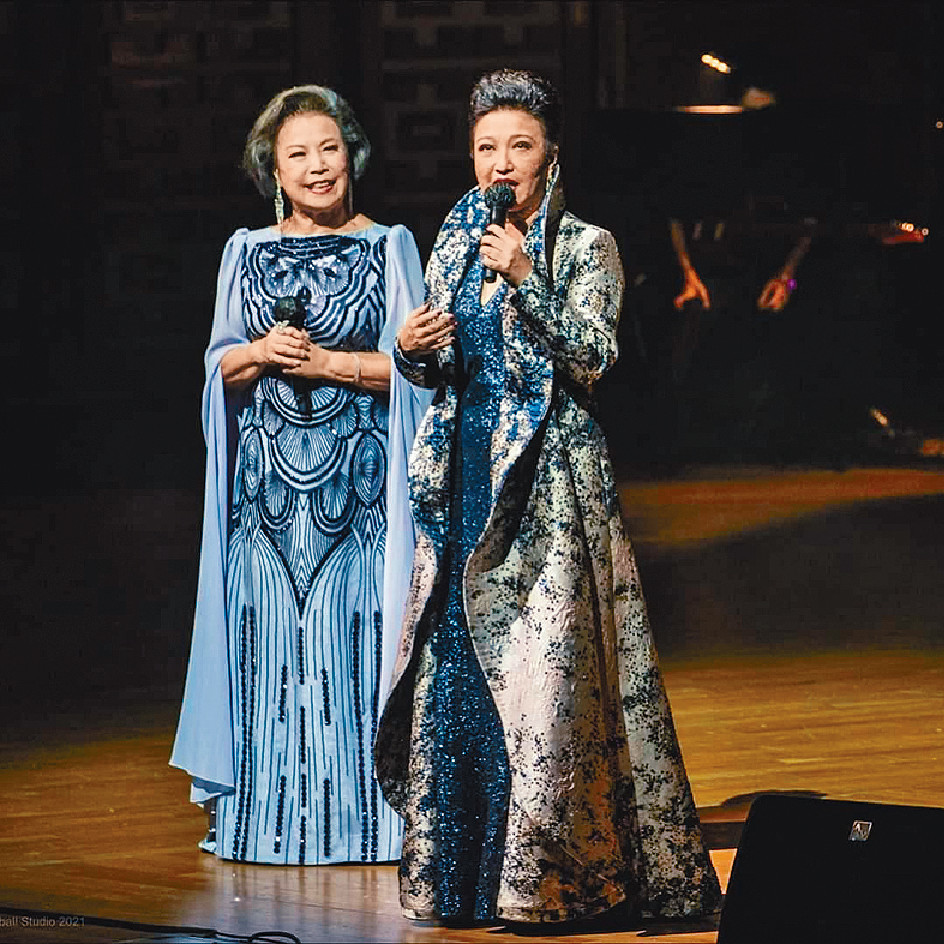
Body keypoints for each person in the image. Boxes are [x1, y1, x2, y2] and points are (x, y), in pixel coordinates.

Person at [375, 69, 721, 925]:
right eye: (486, 147)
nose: (501, 165)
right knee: (460, 677)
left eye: (518, 147)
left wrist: (529, 278)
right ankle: (461, 880)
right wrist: (414, 348)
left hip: (551, 493)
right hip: (467, 484)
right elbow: (445, 365)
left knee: (545, 685)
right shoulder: (455, 239)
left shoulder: (587, 245)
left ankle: (553, 881)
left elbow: (594, 357)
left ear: (550, 155)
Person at [169, 85, 432, 865]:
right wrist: (254, 354)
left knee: (355, 646)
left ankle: (371, 825)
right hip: (265, 505)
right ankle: (268, 825)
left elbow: (420, 373)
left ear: (352, 153)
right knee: (268, 651)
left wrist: (331, 364)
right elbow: (217, 366)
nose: (318, 167)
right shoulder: (242, 252)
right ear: (272, 171)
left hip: (358, 503)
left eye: (329, 148)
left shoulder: (390, 247)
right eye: (298, 155)